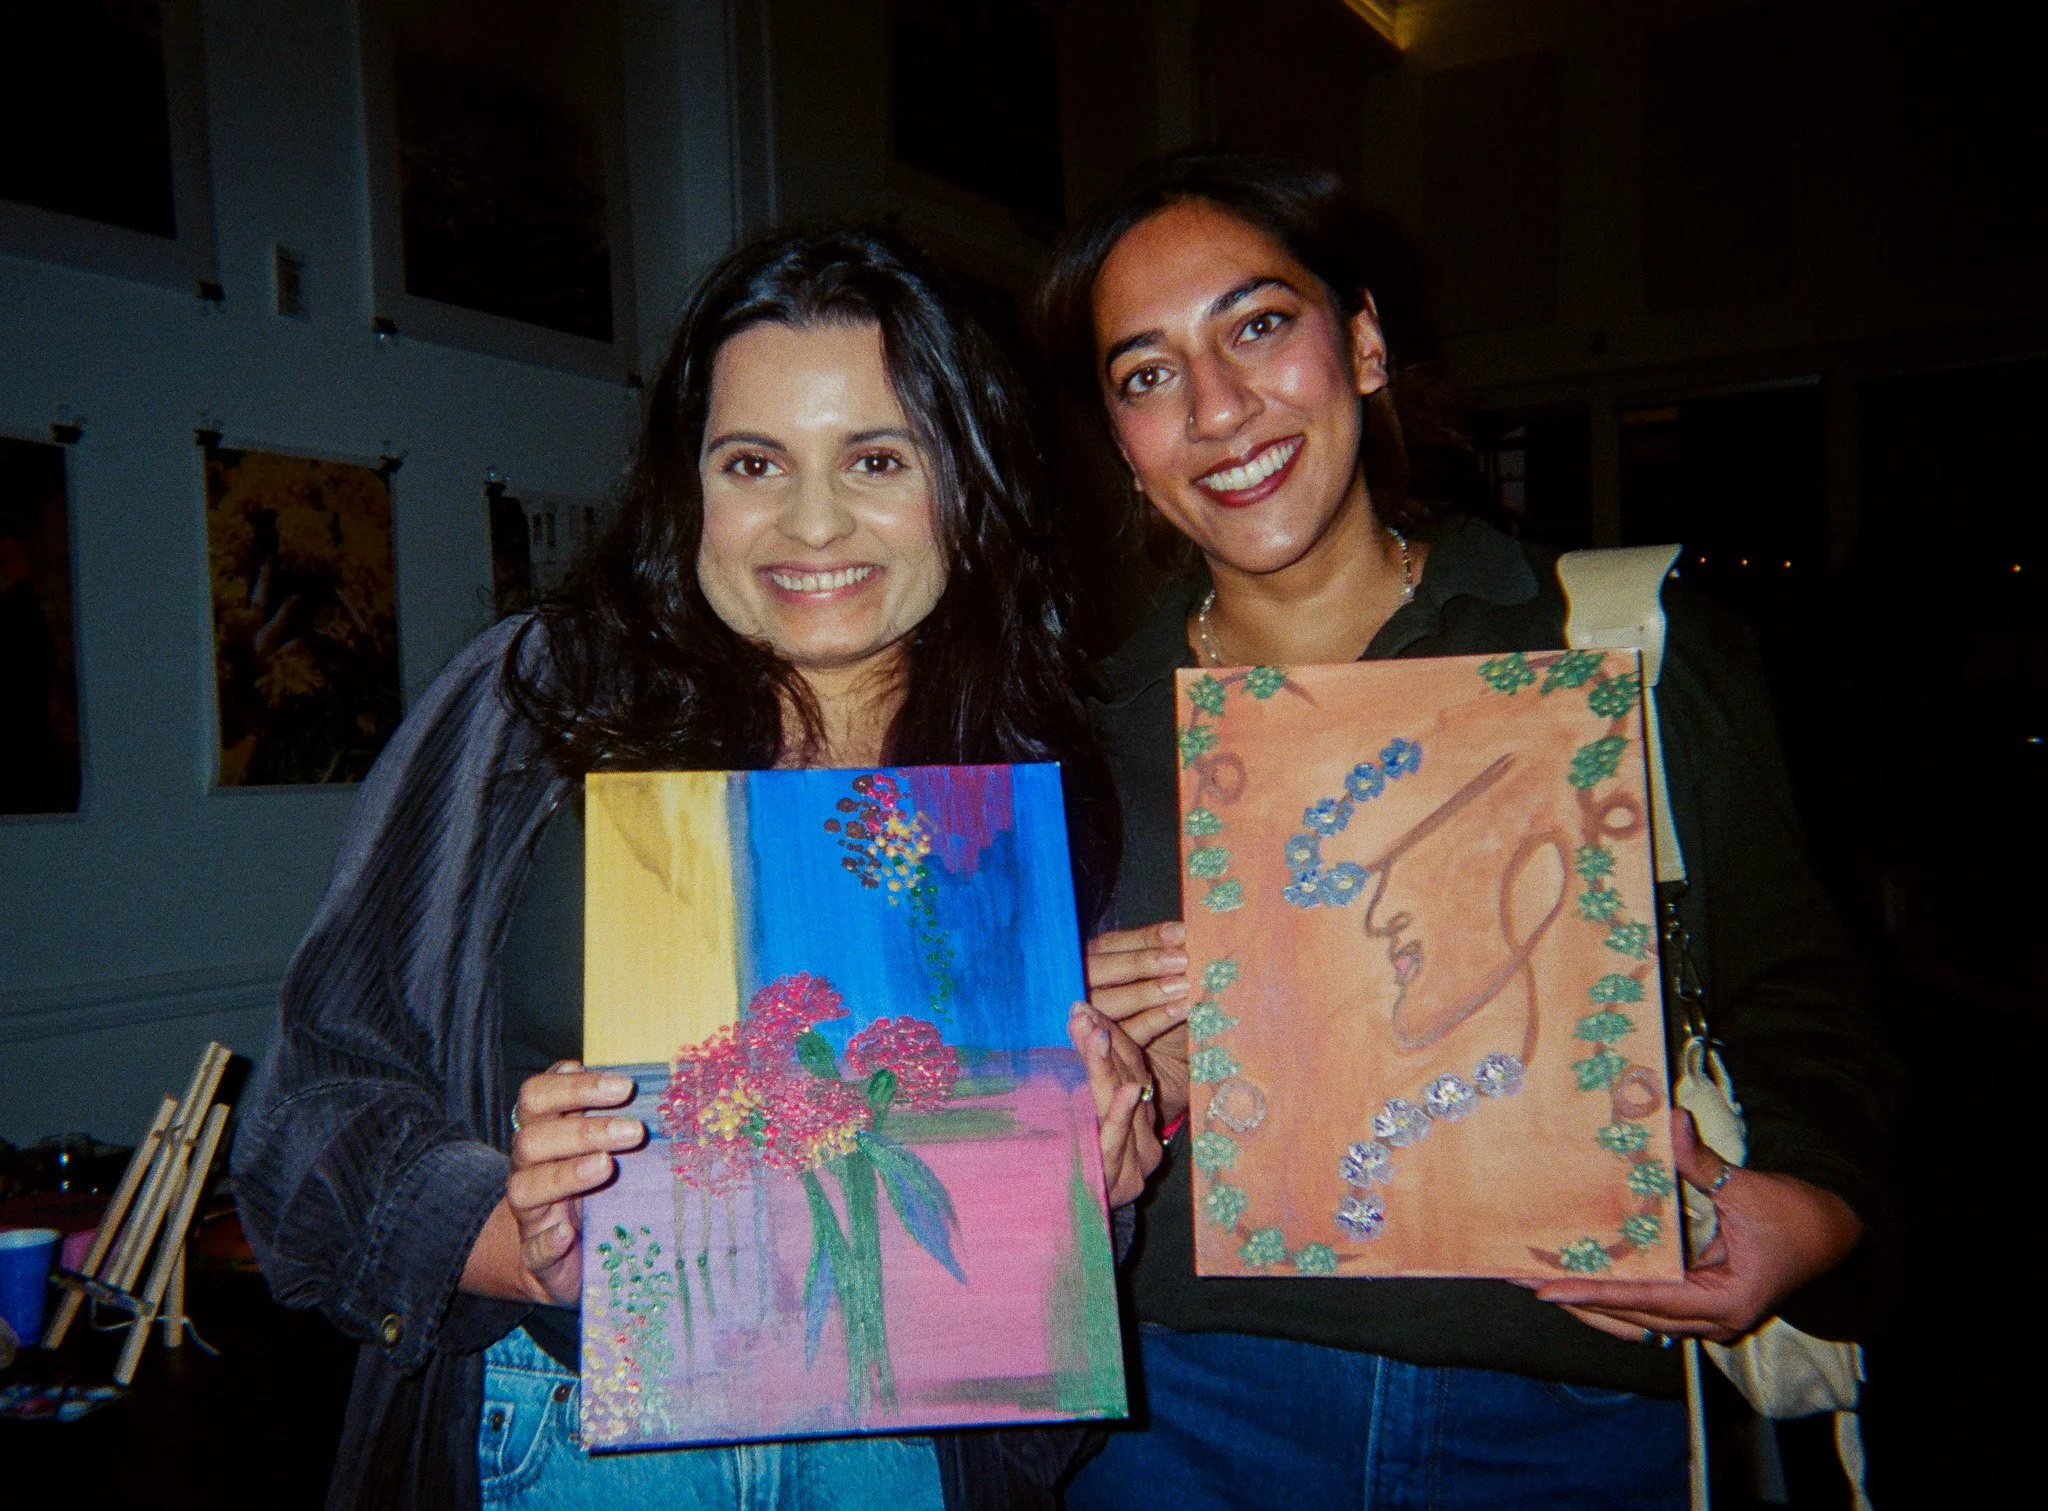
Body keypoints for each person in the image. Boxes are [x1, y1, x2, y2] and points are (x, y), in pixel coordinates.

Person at [232, 225, 1160, 1511]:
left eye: (878, 458)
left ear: (971, 480)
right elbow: (308, 1107)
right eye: (753, 461)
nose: (813, 519)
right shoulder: (538, 702)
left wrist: (1091, 1173)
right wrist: (515, 1236)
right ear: (690, 487)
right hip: (566, 1437)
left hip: (905, 1458)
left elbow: (1023, 1270)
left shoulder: (1028, 785)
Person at [1043, 151, 1902, 1508]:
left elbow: (1807, 998)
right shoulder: (1064, 734)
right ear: (1119, 437)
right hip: (1180, 1419)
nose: (1217, 408)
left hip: (1566, 1415)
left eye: (1259, 325)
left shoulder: (1613, 649)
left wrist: (1802, 1208)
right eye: (1146, 373)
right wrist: (1071, 1055)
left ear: (1365, 342)